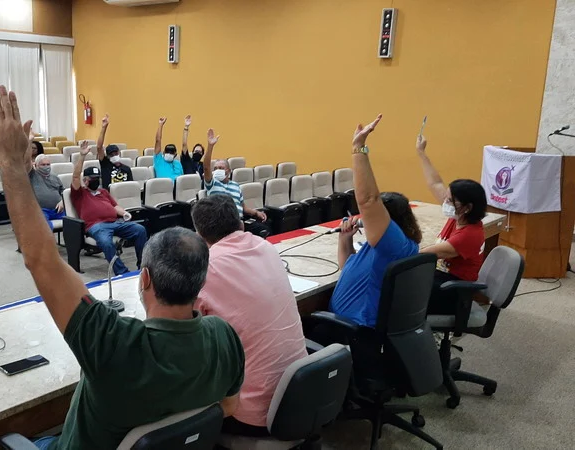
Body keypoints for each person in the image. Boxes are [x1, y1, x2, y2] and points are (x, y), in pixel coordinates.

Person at [0, 85, 245, 450]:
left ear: (145, 278)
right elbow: (229, 407)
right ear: (200, 282)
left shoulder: (113, 342)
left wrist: (12, 165)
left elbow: (41, 259)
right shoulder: (223, 335)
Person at [192, 194, 307, 437]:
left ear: (200, 237)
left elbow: (185, 328)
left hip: (252, 414)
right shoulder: (266, 247)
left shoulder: (206, 268)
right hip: (301, 393)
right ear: (241, 224)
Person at [329, 115, 422, 328]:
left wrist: (358, 148)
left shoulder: (393, 243)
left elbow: (369, 201)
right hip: (347, 324)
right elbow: (348, 268)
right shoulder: (383, 244)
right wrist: (345, 240)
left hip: (353, 329)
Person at [415, 135, 487, 314]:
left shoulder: (468, 235)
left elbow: (420, 255)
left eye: (449, 200)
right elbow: (435, 183)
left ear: (467, 207)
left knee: (398, 290)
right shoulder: (459, 215)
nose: (444, 202)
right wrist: (421, 153)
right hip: (441, 276)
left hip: (453, 290)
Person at [69, 142, 147, 275]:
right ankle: (122, 272)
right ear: (85, 180)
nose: (96, 181)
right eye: (92, 179)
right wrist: (82, 156)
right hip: (96, 226)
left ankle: (143, 265)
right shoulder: (79, 193)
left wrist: (124, 213)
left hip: (115, 222)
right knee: (106, 242)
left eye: (97, 178)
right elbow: (75, 176)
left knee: (140, 230)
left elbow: (114, 206)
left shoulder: (103, 192)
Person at [201, 128, 270, 237]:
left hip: (240, 221)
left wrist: (256, 213)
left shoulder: (235, 186)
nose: (218, 170)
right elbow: (206, 167)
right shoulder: (212, 184)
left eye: (221, 168)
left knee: (264, 229)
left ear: (228, 171)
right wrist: (210, 146)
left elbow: (243, 207)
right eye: (215, 168)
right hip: (222, 224)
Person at [29, 154, 65, 230]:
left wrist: (62, 201)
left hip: (58, 210)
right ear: (36, 165)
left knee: (75, 221)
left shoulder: (55, 177)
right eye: (43, 165)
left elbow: (63, 192)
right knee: (45, 227)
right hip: (41, 211)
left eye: (48, 164)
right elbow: (25, 165)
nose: (46, 167)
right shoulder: (32, 175)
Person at [96, 114, 133, 187]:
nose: (114, 156)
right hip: (109, 193)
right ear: (108, 156)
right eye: (111, 155)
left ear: (119, 153)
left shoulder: (126, 169)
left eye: (116, 154)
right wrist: (104, 127)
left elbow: (131, 186)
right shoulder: (105, 165)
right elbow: (99, 147)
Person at [180, 115, 205, 179]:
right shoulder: (187, 160)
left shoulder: (203, 165)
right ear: (193, 152)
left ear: (202, 154)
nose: (197, 153)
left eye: (199, 152)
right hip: (188, 183)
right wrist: (186, 127)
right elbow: (184, 144)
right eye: (196, 151)